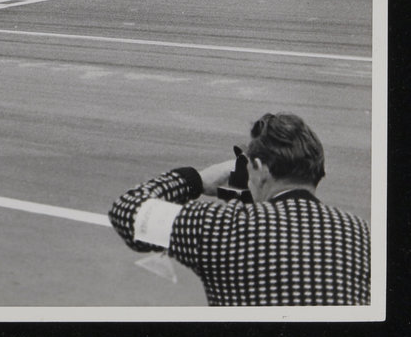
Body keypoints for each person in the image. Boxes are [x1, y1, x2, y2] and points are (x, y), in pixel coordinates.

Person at [109, 112, 370, 305]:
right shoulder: (361, 234)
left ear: (260, 169)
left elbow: (128, 211)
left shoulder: (223, 225)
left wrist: (197, 179)